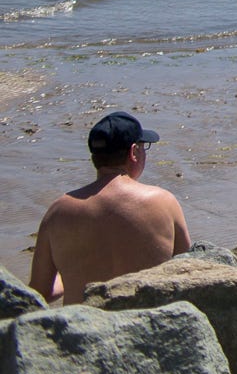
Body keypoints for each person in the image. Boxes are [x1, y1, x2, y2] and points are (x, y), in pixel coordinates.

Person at [29, 111, 190, 305]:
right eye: (144, 147)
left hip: (83, 330)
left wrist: (71, 277)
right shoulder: (164, 202)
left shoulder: (58, 211)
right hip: (149, 327)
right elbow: (186, 273)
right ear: (133, 152)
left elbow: (39, 293)